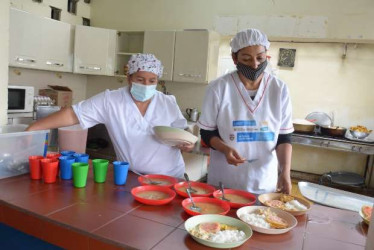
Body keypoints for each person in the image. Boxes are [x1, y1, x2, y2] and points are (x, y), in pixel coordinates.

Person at [27, 53, 194, 178]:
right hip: (132, 177)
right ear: (129, 78)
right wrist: (34, 127)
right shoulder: (110, 100)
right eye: (140, 79)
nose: (146, 85)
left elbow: (183, 131)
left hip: (171, 177)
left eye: (152, 81)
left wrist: (187, 143)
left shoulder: (167, 102)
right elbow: (73, 114)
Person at [197, 29, 294, 194]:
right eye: (246, 58)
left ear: (266, 55)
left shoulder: (279, 89)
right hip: (225, 179)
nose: (255, 64)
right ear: (235, 58)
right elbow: (207, 132)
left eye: (260, 58)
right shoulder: (219, 88)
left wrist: (285, 172)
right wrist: (225, 149)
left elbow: (284, 137)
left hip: (263, 180)